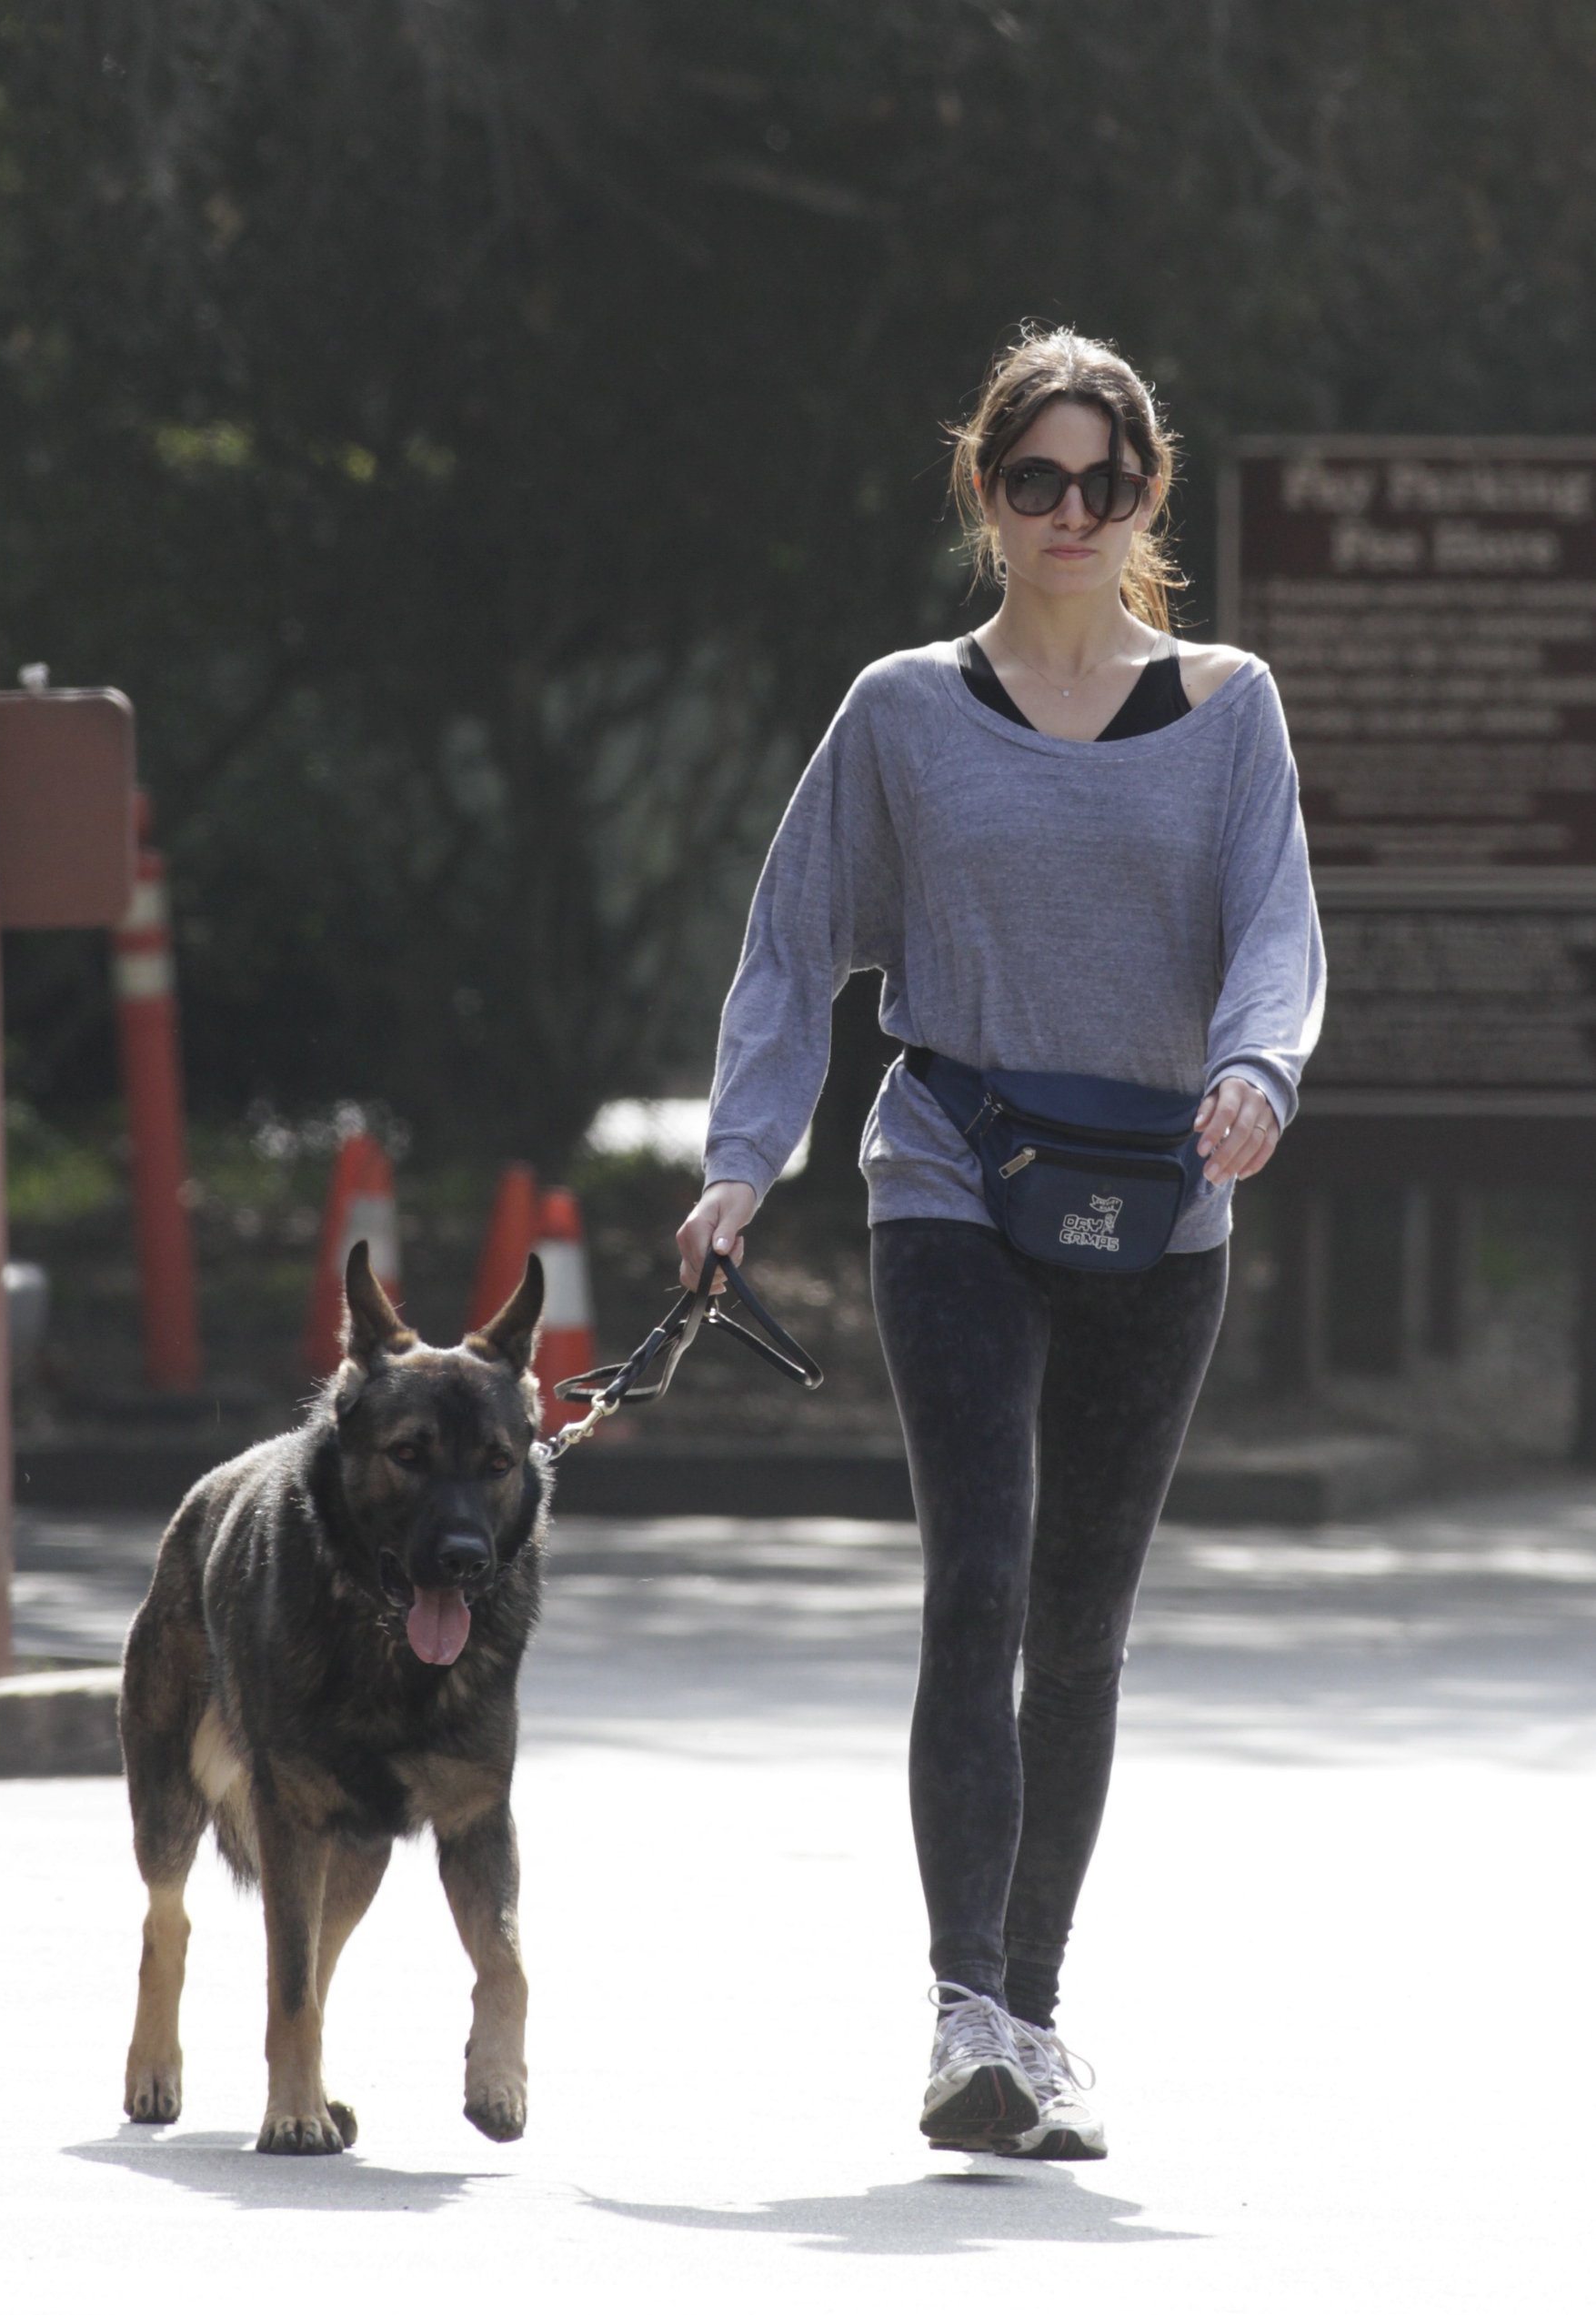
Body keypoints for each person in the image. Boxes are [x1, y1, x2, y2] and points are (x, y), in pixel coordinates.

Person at [675, 327, 1324, 2159]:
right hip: (952, 1169)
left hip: (1166, 1193)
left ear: (1145, 499)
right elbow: (795, 944)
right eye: (1031, 477)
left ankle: (1033, 2017)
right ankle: (964, 2007)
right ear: (985, 491)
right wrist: (741, 1165)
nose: (1066, 510)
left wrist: (1257, 1074)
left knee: (1083, 1619)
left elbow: (1281, 927)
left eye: (1100, 482)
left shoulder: (1229, 709)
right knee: (979, 1575)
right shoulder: (900, 710)